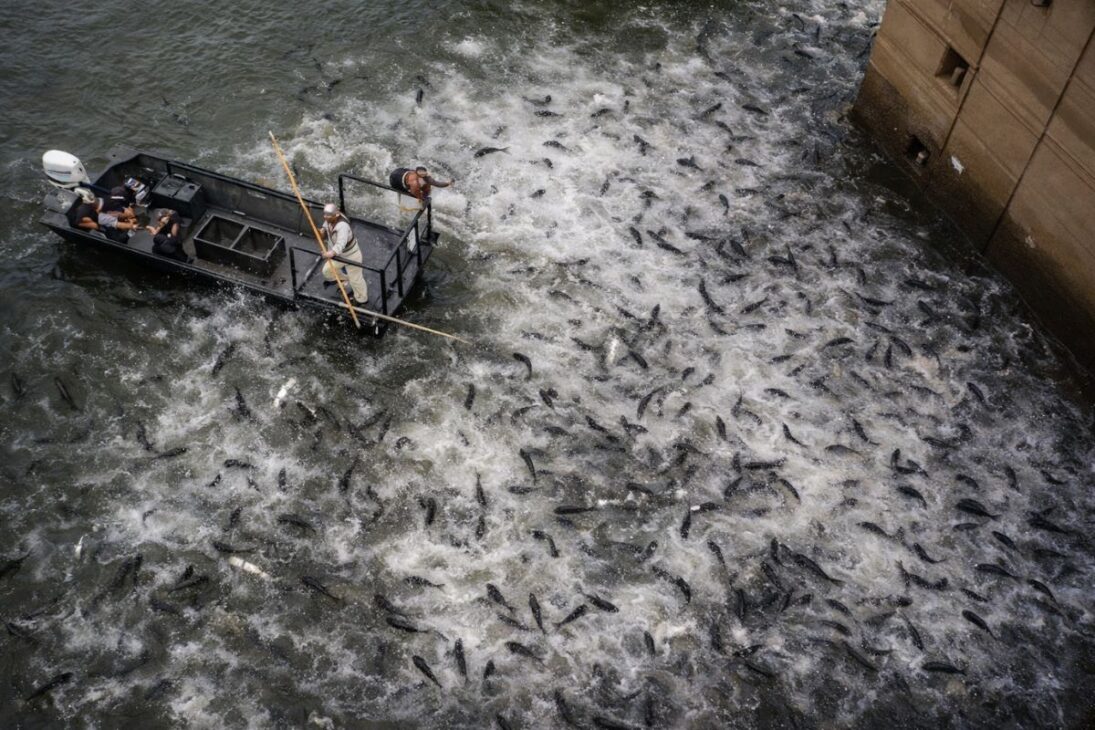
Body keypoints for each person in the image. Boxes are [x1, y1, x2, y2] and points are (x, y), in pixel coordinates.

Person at [318, 203, 368, 305]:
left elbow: (341, 244)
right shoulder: (329, 220)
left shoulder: (342, 226)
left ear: (335, 215)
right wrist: (322, 231)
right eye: (324, 215)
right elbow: (325, 226)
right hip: (338, 257)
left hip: (352, 255)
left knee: (356, 281)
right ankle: (346, 279)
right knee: (327, 271)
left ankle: (362, 300)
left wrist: (330, 253)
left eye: (328, 215)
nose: (325, 217)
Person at [387, 166, 453, 204]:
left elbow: (437, 183)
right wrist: (422, 198)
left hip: (402, 171)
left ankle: (423, 190)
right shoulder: (414, 182)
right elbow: (415, 192)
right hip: (395, 179)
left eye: (425, 175)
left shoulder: (427, 177)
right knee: (417, 192)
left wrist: (448, 183)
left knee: (427, 188)